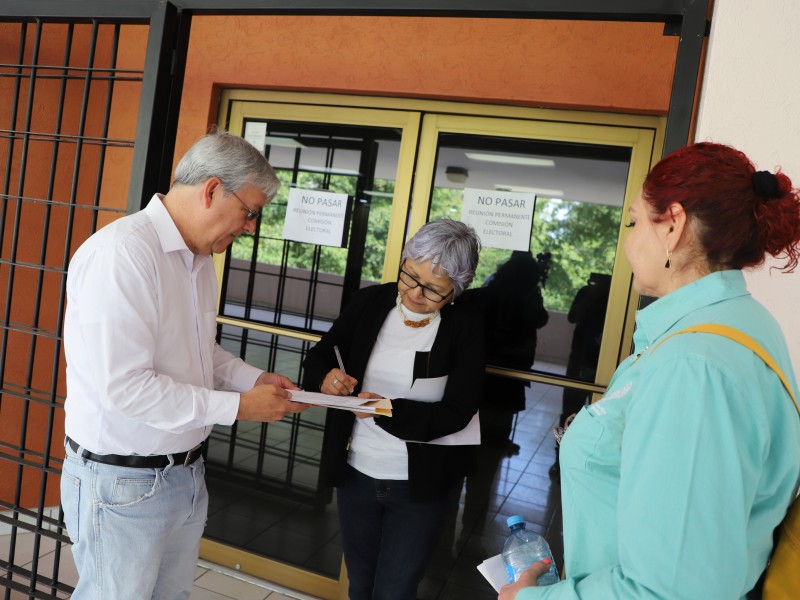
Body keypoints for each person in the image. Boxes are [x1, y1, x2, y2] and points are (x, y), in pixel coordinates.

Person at [500, 142, 800, 599]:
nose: (627, 240)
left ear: (673, 225)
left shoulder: (694, 366)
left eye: (634, 220)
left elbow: (667, 591)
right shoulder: (743, 324)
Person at [61, 130, 309, 599]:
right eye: (250, 212)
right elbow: (126, 388)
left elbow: (200, 352)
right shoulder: (124, 254)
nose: (251, 226)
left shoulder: (196, 261)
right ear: (213, 189)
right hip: (123, 481)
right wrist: (238, 407)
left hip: (183, 474)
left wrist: (252, 379)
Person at [302, 219, 484, 600]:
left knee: (395, 591)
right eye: (410, 276)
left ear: (456, 291)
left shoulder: (464, 327)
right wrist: (328, 377)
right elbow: (320, 355)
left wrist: (386, 409)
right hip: (357, 471)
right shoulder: (372, 302)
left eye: (433, 289)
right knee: (361, 584)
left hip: (418, 484)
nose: (415, 293)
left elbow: (458, 409)